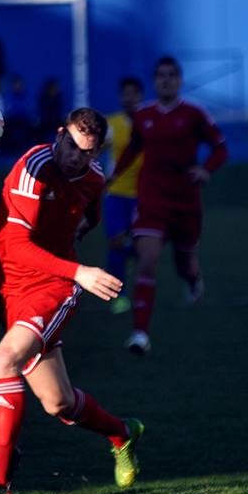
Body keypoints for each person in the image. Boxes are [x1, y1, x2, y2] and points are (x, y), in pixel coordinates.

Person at [0, 108, 144, 494]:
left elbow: (91, 210)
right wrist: (81, 267)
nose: (73, 156)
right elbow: (17, 245)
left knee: (6, 359)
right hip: (9, 287)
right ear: (59, 133)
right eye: (69, 144)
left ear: (95, 153)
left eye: (85, 152)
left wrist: (76, 270)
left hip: (51, 287)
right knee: (58, 403)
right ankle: (123, 434)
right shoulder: (33, 167)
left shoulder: (93, 178)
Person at [109, 56, 228, 356]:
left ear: (180, 80)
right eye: (161, 75)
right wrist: (112, 177)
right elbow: (134, 147)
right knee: (147, 260)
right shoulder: (143, 114)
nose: (166, 80)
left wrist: (206, 170)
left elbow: (220, 148)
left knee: (184, 263)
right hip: (152, 199)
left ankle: (193, 279)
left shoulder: (194, 114)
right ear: (154, 80)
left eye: (172, 75)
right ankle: (140, 334)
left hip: (186, 201)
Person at [102, 75, 145, 315]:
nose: (128, 98)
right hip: (116, 193)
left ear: (140, 96)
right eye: (124, 94)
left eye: (133, 93)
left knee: (142, 247)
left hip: (144, 195)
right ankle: (119, 295)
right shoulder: (112, 124)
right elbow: (94, 148)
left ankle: (141, 292)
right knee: (116, 243)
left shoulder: (149, 122)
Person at [35, 77, 65, 145]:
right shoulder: (43, 97)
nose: (55, 90)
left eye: (56, 88)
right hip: (45, 120)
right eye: (53, 88)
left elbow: (60, 111)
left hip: (56, 120)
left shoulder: (58, 98)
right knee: (39, 128)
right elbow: (41, 110)